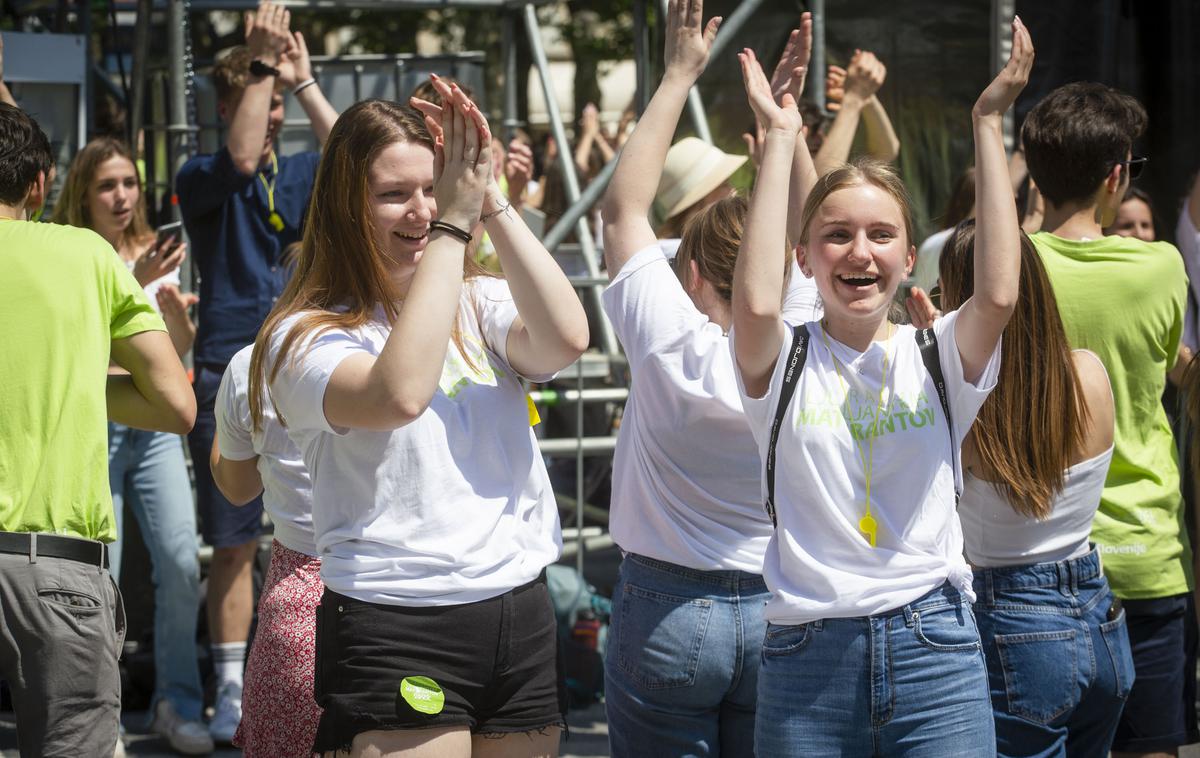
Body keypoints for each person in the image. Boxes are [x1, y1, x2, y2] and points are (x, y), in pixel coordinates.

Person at [250, 80, 587, 756]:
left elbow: (566, 339)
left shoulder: (478, 300)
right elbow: (396, 395)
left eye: (434, 188)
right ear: (348, 206)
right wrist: (453, 229)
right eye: (393, 194)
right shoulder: (304, 336)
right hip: (395, 620)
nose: (422, 210)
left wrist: (489, 198)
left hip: (517, 609)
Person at [730, 17, 1032, 755]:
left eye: (880, 235)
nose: (858, 251)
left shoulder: (936, 354)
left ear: (907, 257)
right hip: (808, 660)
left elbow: (997, 294)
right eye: (836, 235)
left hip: (935, 649)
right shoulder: (780, 361)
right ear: (804, 256)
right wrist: (779, 140)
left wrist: (988, 124)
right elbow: (757, 304)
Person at [598, 4, 818, 755]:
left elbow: (624, 207)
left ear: (690, 271)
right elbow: (814, 239)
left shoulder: (665, 342)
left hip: (665, 602)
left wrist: (678, 74)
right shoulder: (797, 343)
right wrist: (785, 137)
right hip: (778, 605)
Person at [0, 102, 195, 757]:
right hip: (55, 569)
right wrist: (79, 380)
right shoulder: (85, 255)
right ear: (40, 185)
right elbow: (174, 403)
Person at [174, 1, 337, 741]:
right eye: (259, 101)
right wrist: (263, 66)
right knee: (235, 537)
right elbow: (241, 158)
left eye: (276, 107)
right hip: (232, 370)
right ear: (231, 102)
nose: (271, 117)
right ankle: (234, 684)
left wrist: (301, 84)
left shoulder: (302, 171)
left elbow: (361, 160)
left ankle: (316, 665)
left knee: (320, 530)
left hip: (307, 364)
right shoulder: (203, 174)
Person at [1023, 81, 1195, 758]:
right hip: (1145, 551)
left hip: (1032, 557)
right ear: (1116, 175)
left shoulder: (1012, 269)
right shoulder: (1161, 267)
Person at [922, 223, 1133, 755]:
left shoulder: (962, 407)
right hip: (1100, 614)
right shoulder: (1090, 373)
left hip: (1015, 624)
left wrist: (933, 358)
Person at [53, 137, 211, 754]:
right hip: (94, 419)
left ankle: (178, 702)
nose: (122, 197)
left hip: (152, 428)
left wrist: (181, 323)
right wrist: (132, 279)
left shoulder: (162, 252)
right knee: (101, 576)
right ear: (82, 195)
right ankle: (103, 715)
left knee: (177, 562)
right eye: (106, 186)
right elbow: (72, 339)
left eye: (129, 183)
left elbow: (175, 354)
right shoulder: (72, 253)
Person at [211, 340, 321, 758]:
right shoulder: (443, 344)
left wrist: (224, 433)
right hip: (438, 602)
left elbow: (237, 486)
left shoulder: (255, 363)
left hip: (304, 598)